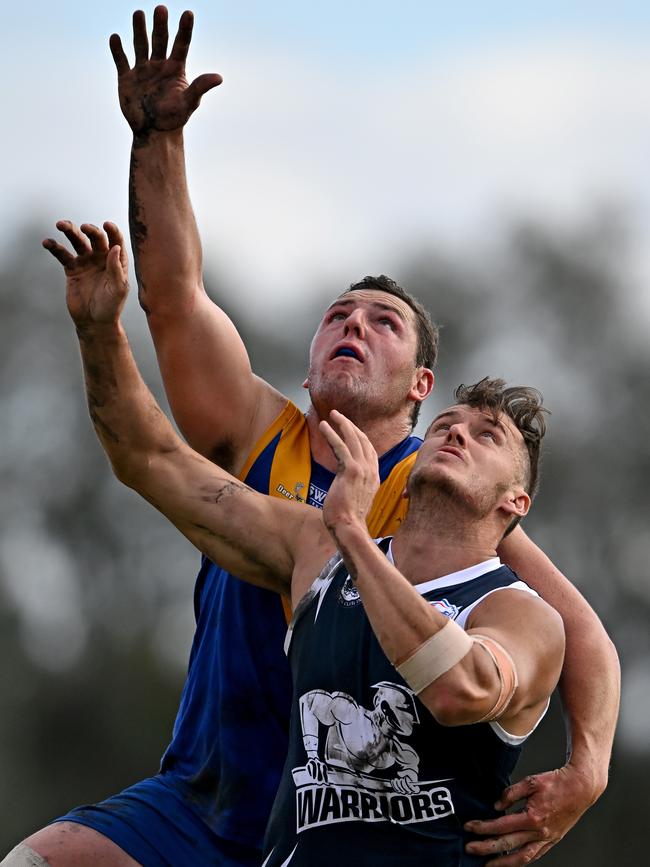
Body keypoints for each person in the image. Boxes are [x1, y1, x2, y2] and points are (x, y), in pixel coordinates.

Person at [6, 14, 617, 866]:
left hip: (340, 803)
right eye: (337, 315)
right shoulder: (262, 436)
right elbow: (172, 303)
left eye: (382, 322)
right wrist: (157, 141)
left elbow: (574, 632)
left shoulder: (435, 490)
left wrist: (586, 770)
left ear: (419, 387)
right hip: (204, 790)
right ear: (309, 359)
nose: (352, 326)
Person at [41, 227, 567, 865]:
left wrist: (588, 769)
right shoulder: (314, 545)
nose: (456, 435)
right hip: (235, 817)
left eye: (487, 437)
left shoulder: (520, 612)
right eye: (450, 427)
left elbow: (462, 689)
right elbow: (153, 460)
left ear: (516, 503)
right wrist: (101, 333)